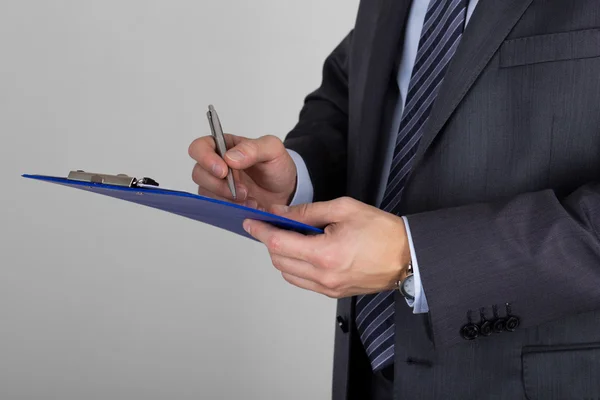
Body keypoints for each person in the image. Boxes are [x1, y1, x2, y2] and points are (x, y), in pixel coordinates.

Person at [188, 0, 600, 399]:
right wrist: (297, 176)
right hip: (370, 370)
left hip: (541, 378)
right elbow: (359, 92)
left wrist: (417, 255)